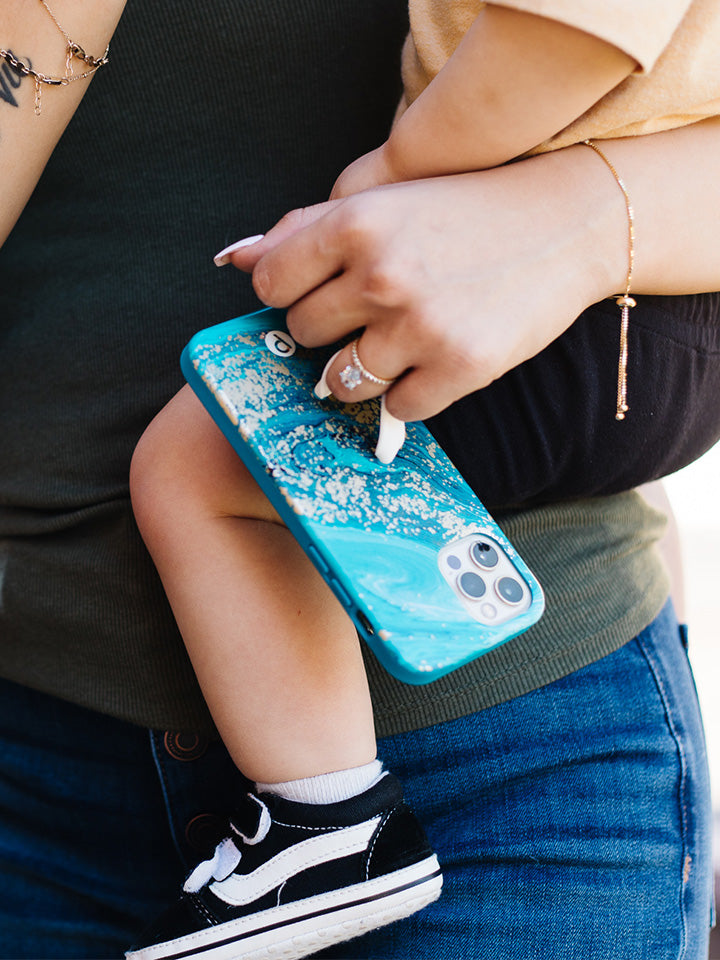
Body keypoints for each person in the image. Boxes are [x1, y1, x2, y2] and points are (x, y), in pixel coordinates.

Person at [0, 3, 717, 959]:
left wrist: (453, 194)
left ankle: (330, 830)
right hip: (36, 745)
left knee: (210, 452)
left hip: (510, 741)